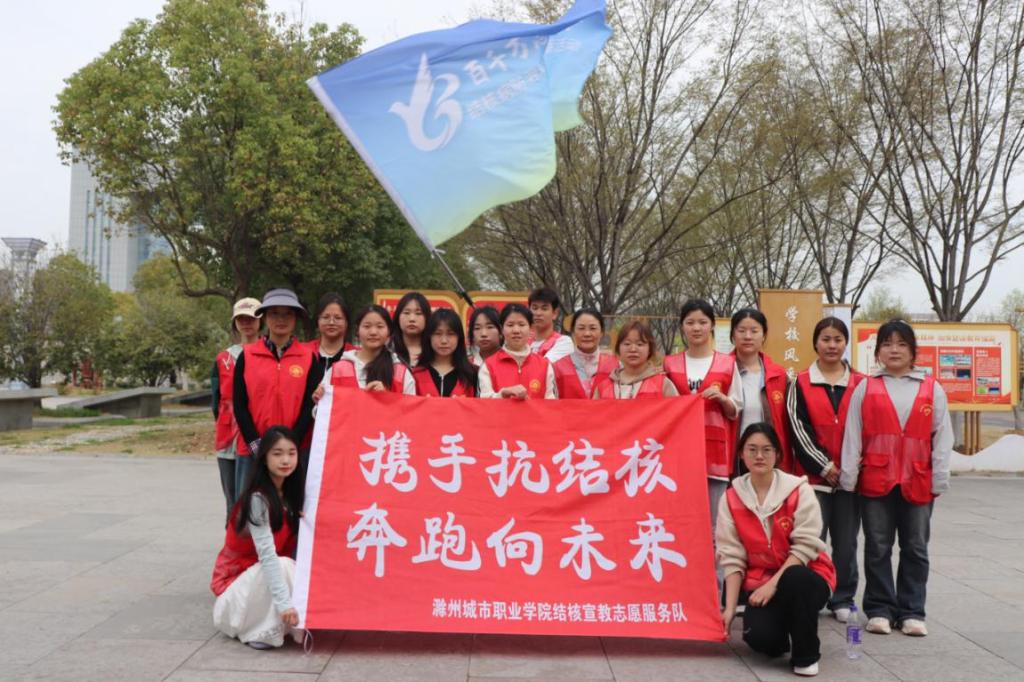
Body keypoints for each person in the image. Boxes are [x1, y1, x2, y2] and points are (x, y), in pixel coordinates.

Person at [840, 319, 953, 637]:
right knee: (877, 547)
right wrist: (849, 476)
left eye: (902, 344)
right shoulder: (866, 387)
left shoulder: (932, 388)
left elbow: (942, 437)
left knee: (915, 547)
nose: (894, 350)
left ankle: (912, 611)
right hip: (876, 479)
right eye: (887, 344)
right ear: (878, 351)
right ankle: (879, 609)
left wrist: (940, 477)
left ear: (913, 351)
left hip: (918, 480)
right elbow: (853, 434)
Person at [718, 422, 836, 677]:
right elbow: (732, 555)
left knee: (795, 579)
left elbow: (805, 547)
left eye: (766, 450)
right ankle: (785, 629)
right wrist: (729, 608)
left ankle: (806, 656)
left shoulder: (799, 490)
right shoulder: (730, 497)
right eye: (751, 449)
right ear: (741, 454)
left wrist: (773, 585)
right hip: (762, 582)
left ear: (778, 454)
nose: (759, 456)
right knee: (761, 639)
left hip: (808, 575)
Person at [787, 317, 865, 623]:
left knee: (846, 543)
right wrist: (824, 465)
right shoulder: (800, 382)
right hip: (812, 481)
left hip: (850, 481)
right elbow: (797, 428)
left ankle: (842, 597)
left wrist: (848, 469)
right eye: (825, 339)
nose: (832, 345)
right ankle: (811, 594)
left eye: (838, 339)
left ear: (845, 343)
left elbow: (867, 429)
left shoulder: (861, 383)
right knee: (810, 541)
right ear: (815, 343)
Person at [211, 426, 303, 649]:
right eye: (277, 453)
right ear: (264, 458)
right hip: (234, 594)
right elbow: (268, 557)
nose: (285, 460)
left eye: (291, 453)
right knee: (283, 564)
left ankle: (280, 620)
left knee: (292, 567)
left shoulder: (289, 496)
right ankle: (260, 630)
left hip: (259, 581)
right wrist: (284, 604)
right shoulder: (257, 499)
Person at [664, 299, 743, 529]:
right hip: (679, 452)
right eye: (690, 323)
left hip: (715, 453)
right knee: (682, 522)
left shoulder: (727, 364)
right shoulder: (670, 364)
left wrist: (722, 399)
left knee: (715, 525)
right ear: (682, 326)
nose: (696, 328)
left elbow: (736, 409)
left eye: (702, 322)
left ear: (712, 325)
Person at [233, 289, 321, 489]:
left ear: (296, 318)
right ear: (264, 317)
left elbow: (310, 405)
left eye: (287, 314)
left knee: (291, 505)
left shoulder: (308, 358)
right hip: (252, 450)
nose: (281, 319)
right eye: (274, 313)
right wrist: (257, 446)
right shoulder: (247, 356)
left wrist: (290, 445)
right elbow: (240, 405)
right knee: (251, 506)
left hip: (294, 452)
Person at [211, 297, 262, 514]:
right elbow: (216, 399)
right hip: (228, 438)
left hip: (255, 436)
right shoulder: (223, 358)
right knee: (232, 502)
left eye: (251, 318)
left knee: (252, 499)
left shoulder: (267, 353)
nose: (246, 323)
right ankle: (231, 534)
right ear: (235, 323)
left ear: (260, 321)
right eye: (241, 319)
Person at [731, 308, 793, 473]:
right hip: (734, 457)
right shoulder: (721, 371)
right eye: (741, 331)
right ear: (733, 335)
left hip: (769, 456)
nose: (748, 336)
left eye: (754, 331)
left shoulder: (779, 375)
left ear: (764, 336)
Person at [330, 304, 416, 394]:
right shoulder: (338, 370)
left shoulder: (400, 373)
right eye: (367, 326)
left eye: (380, 326)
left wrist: (387, 397)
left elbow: (410, 403)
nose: (373, 332)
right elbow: (325, 401)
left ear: (389, 332)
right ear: (357, 330)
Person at [478, 303, 557, 399]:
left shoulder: (545, 366)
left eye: (521, 325)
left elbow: (552, 403)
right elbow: (483, 403)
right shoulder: (488, 366)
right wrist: (502, 395)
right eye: (510, 325)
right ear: (501, 329)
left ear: (531, 328)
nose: (516, 330)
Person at [592, 319, 678, 398]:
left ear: (649, 349)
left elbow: (677, 408)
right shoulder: (603, 388)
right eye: (627, 344)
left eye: (639, 344)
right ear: (618, 348)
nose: (633, 349)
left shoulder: (662, 384)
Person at [553, 308, 619, 399]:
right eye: (581, 328)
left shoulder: (615, 366)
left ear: (602, 332)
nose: (587, 334)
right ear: (572, 332)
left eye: (593, 328)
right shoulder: (558, 367)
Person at [413, 309, 478, 397]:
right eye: (438, 333)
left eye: (450, 334)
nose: (444, 341)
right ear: (429, 337)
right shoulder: (416, 374)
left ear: (459, 337)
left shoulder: (473, 374)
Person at [305, 292, 354, 374]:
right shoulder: (303, 351)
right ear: (318, 321)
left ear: (346, 323)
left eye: (338, 318)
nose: (331, 322)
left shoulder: (355, 355)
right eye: (325, 317)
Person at [528, 287, 575, 363]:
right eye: (535, 308)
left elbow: (544, 367)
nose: (538, 313)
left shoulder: (563, 342)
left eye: (544, 309)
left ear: (555, 313)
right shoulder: (523, 341)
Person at [391, 292, 432, 367]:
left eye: (418, 313)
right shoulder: (387, 350)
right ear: (398, 317)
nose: (412, 319)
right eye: (406, 313)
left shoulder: (434, 350)